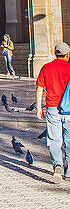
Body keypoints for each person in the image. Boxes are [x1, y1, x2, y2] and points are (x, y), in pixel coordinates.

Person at [36, 41, 70, 185]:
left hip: (52, 108)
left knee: (54, 139)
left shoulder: (46, 67)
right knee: (69, 141)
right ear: (67, 55)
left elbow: (39, 88)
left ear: (55, 53)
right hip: (69, 110)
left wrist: (39, 107)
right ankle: (68, 172)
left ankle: (57, 166)